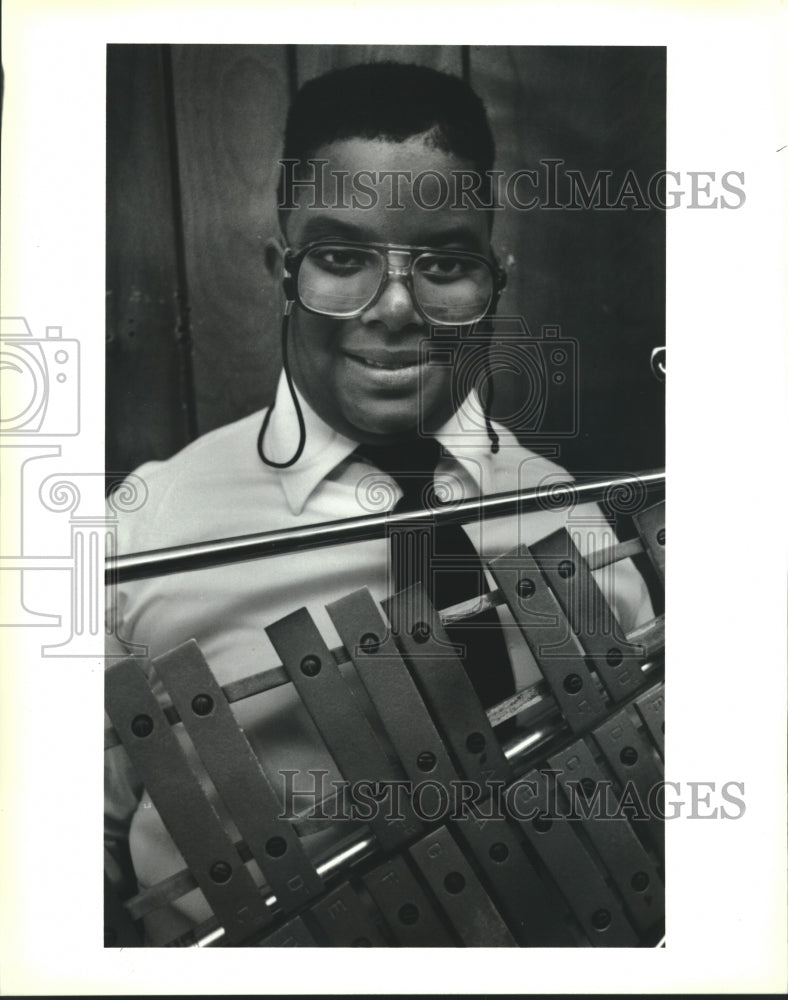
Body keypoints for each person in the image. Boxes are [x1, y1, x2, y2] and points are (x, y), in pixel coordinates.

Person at [104, 61, 653, 945]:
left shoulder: (569, 516)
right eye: (339, 257)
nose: (394, 308)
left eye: (443, 261)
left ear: (496, 275)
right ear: (282, 267)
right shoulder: (134, 534)